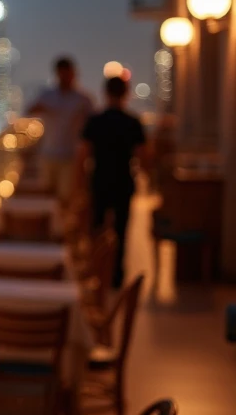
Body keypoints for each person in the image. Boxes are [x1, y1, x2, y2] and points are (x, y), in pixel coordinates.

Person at [78, 76, 149, 289]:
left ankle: (97, 273)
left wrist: (80, 186)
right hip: (123, 182)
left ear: (105, 92)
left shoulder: (95, 120)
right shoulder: (133, 122)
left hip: (99, 180)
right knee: (121, 230)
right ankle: (116, 277)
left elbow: (82, 156)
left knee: (97, 228)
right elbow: (144, 157)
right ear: (126, 93)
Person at [27, 57, 94, 204]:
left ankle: (59, 225)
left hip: (70, 156)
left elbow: (92, 126)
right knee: (46, 195)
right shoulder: (47, 95)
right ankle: (52, 225)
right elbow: (29, 110)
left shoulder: (82, 100)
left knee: (66, 198)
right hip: (48, 154)